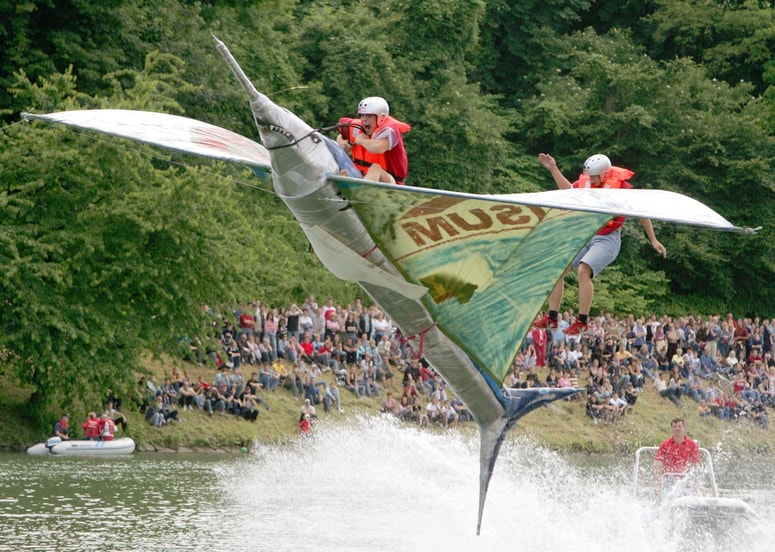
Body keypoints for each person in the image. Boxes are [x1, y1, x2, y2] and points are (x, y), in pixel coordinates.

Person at [534, 153, 667, 335]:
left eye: (595, 176)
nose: (591, 180)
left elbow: (641, 212)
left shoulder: (621, 189)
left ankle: (582, 321)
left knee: (583, 270)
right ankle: (552, 317)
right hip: (586, 236)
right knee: (557, 268)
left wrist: (653, 239)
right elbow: (569, 192)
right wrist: (553, 169)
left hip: (607, 239)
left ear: (605, 175)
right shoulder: (587, 183)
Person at [337, 96, 410, 184]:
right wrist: (344, 143)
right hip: (361, 175)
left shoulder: (389, 131)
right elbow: (340, 137)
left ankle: (361, 189)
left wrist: (361, 141)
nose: (364, 119)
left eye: (369, 116)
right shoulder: (357, 127)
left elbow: (377, 148)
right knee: (344, 167)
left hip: (391, 181)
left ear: (381, 118)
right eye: (362, 115)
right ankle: (346, 185)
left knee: (375, 168)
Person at [654, 418, 701, 496]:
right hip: (669, 478)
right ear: (672, 429)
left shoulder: (692, 445)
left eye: (679, 426)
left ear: (684, 428)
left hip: (686, 479)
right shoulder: (665, 445)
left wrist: (697, 484)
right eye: (674, 426)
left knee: (699, 492)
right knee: (667, 492)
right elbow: (657, 464)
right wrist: (657, 484)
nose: (677, 429)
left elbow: (696, 465)